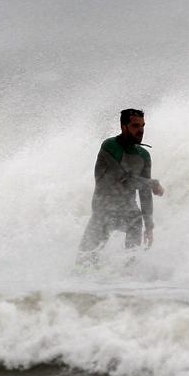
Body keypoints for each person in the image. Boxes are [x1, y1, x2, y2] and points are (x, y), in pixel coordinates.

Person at [77, 108, 165, 265]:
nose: (141, 130)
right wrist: (151, 183)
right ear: (124, 127)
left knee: (135, 223)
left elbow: (144, 192)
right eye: (135, 126)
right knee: (83, 262)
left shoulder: (144, 155)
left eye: (142, 126)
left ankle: (127, 275)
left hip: (129, 213)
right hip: (103, 211)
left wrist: (149, 226)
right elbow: (123, 179)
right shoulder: (110, 147)